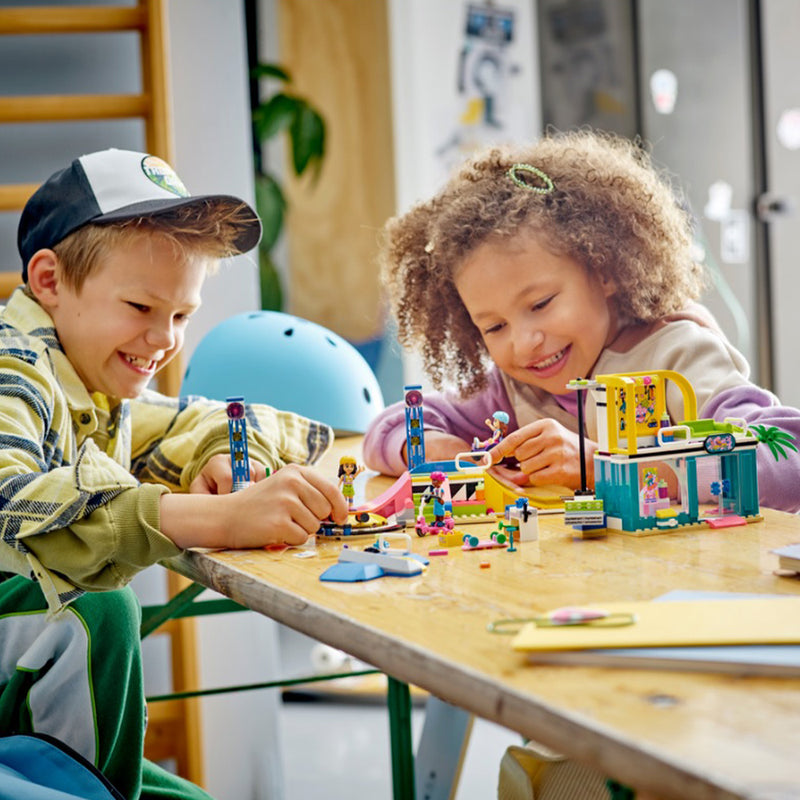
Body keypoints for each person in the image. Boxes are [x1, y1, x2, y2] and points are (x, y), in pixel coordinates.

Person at [0, 148, 348, 799]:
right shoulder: (13, 367)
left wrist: (216, 453)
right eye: (140, 307)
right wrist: (217, 518)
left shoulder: (92, 377)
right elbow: (9, 502)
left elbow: (206, 418)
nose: (164, 341)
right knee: (96, 608)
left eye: (182, 316)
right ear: (49, 282)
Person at [363, 129, 800, 513]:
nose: (524, 343)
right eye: (494, 327)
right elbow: (389, 427)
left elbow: (786, 461)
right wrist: (443, 451)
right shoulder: (513, 388)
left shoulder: (678, 356)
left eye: (541, 303)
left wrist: (599, 468)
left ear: (605, 270)